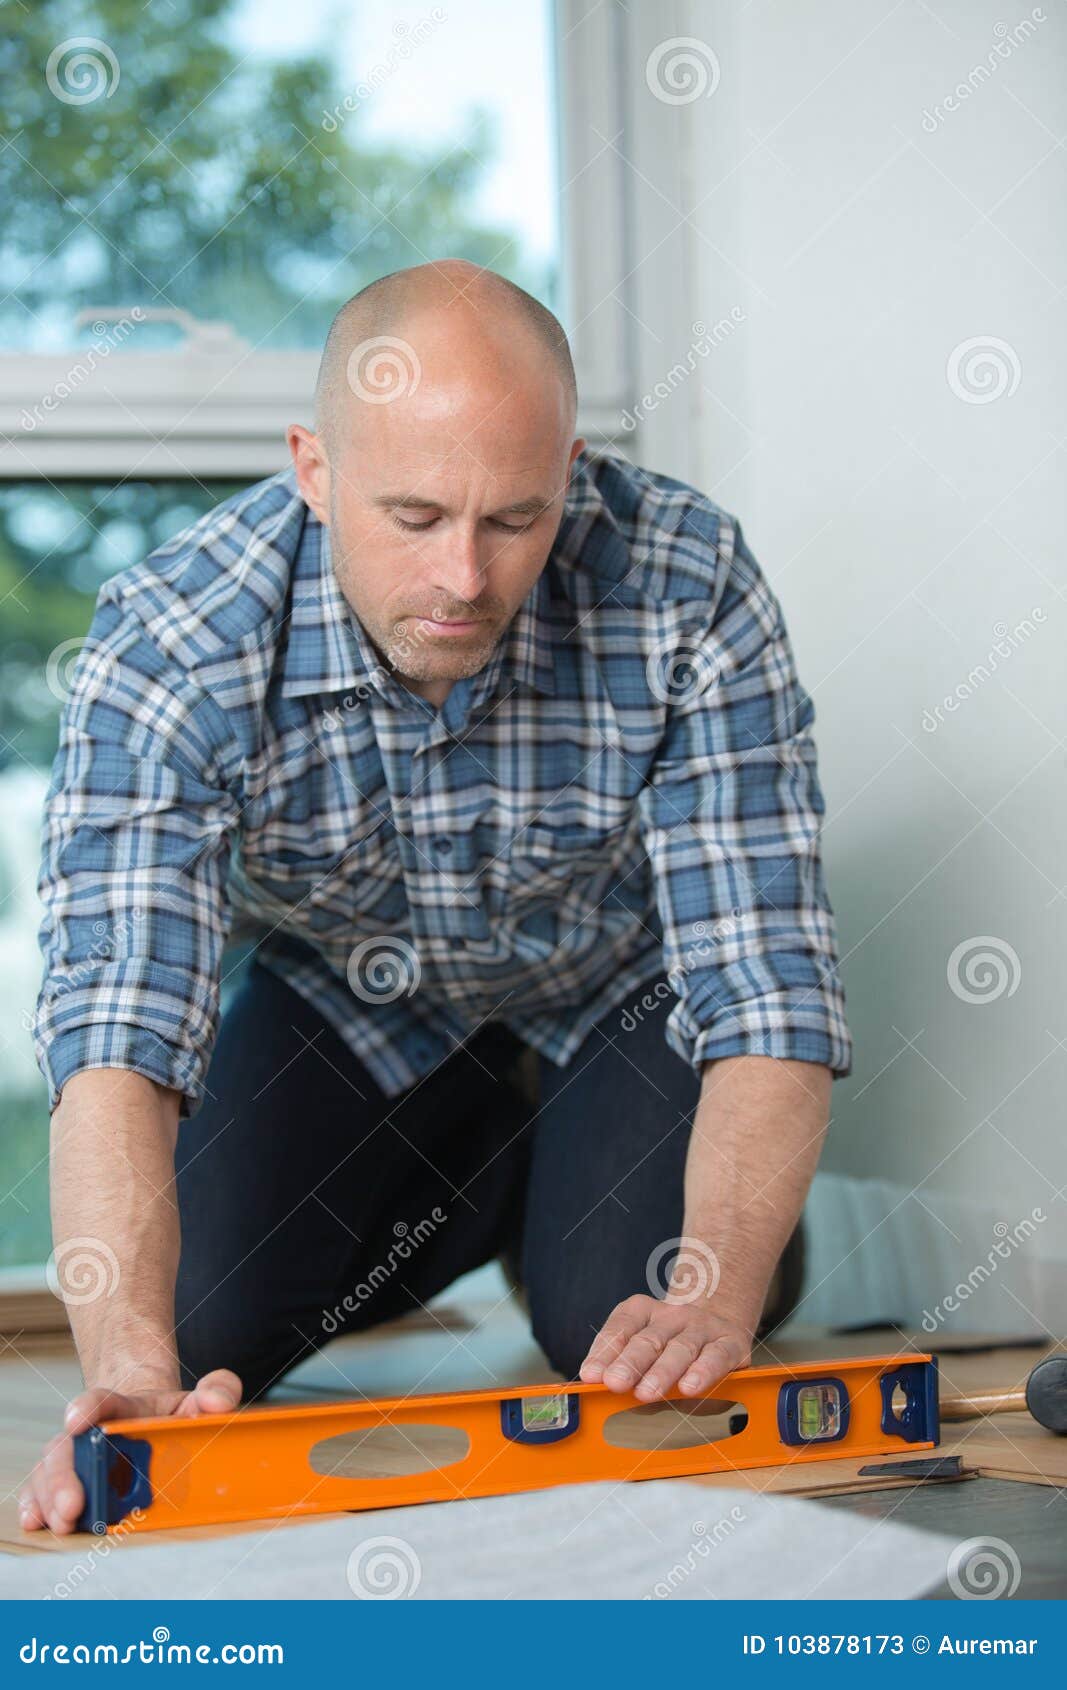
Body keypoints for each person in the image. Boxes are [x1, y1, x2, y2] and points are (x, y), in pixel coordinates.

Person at [20, 260, 850, 1535]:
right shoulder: (176, 637)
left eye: (512, 518)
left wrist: (716, 1286)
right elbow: (117, 1023)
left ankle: (596, 1197)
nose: (464, 577)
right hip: (357, 1003)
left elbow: (763, 980)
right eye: (412, 516)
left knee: (624, 1334)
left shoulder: (685, 579)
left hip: (615, 998)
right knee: (190, 1332)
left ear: (568, 473)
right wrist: (125, 1360)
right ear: (313, 469)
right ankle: (500, 1182)